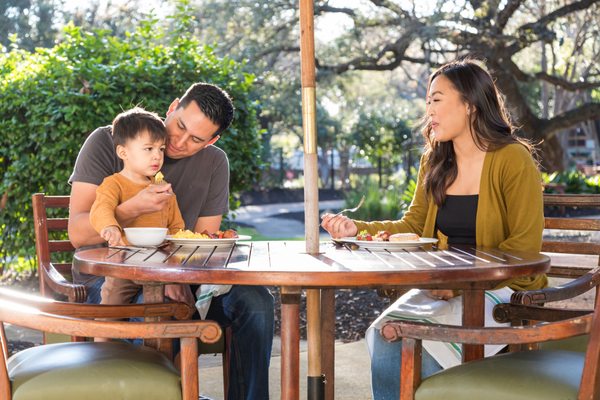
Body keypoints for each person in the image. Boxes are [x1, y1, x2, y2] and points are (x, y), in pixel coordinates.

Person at [321, 59, 547, 400]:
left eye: (437, 99)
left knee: (414, 356)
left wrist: (459, 285)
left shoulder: (512, 158)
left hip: (505, 291)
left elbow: (523, 245)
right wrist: (356, 229)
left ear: (470, 105)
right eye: (428, 101)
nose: (429, 110)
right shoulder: (436, 160)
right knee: (388, 336)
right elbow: (413, 226)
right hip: (443, 288)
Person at [68, 83, 274, 400]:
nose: (178, 142)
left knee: (257, 303)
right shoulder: (110, 140)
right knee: (160, 308)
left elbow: (200, 243)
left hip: (183, 279)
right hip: (110, 281)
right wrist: (131, 209)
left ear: (212, 141)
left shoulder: (214, 163)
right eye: (179, 126)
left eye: (196, 139)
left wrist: (174, 275)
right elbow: (78, 233)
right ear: (173, 106)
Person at [89, 107, 184, 307]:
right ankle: (101, 338)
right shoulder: (113, 184)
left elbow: (176, 228)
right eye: (149, 149)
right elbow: (101, 209)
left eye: (161, 149)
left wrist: (175, 275)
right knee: (109, 312)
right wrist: (110, 227)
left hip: (161, 267)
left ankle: (189, 338)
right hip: (123, 265)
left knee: (183, 305)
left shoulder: (163, 189)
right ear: (123, 152)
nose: (157, 156)